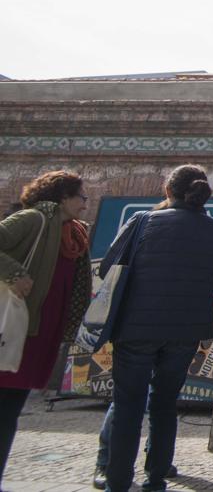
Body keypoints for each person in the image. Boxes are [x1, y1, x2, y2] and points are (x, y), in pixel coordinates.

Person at [101, 165, 213, 492]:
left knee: (128, 403)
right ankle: (156, 476)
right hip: (186, 329)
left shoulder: (143, 221)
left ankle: (117, 480)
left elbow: (108, 267)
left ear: (168, 190)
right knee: (165, 403)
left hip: (136, 326)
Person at [0, 171, 92, 487]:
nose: (84, 204)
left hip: (40, 334)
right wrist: (14, 274)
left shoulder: (75, 234)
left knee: (10, 409)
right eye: (81, 197)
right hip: (14, 329)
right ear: (63, 197)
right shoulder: (33, 220)